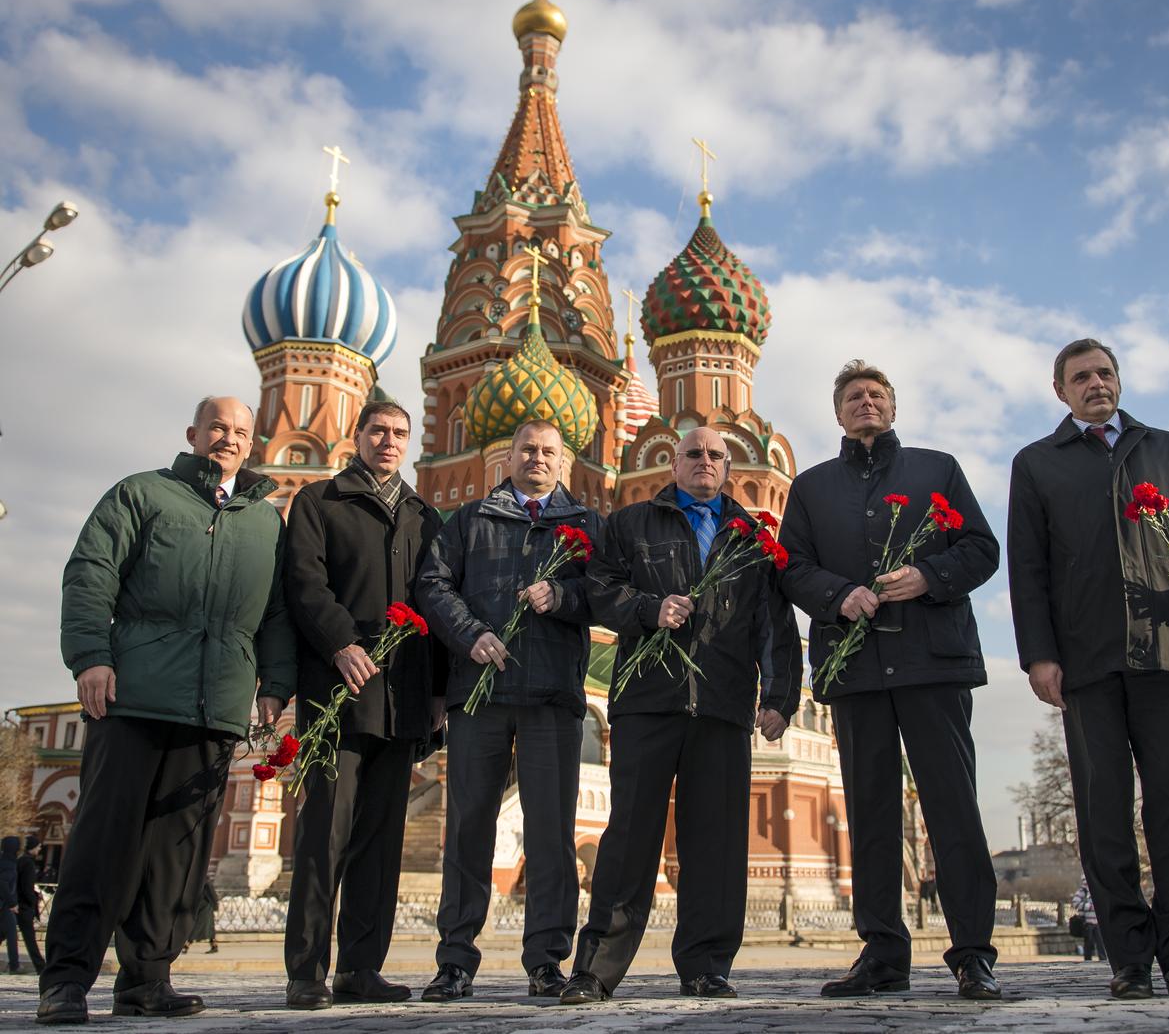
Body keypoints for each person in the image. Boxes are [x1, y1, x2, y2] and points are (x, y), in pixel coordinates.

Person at [37, 396, 295, 1025]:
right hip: (135, 695)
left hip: (215, 707)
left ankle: (147, 979)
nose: (227, 440)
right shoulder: (143, 495)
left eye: (239, 432)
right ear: (193, 433)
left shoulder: (265, 522)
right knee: (105, 840)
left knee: (179, 853)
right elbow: (91, 571)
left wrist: (275, 684)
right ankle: (66, 981)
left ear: (252, 444)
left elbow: (277, 614)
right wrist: (91, 656)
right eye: (217, 428)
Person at [1008, 338, 1169, 1001]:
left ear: (1119, 380)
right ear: (1061, 390)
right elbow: (1028, 570)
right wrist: (1040, 655)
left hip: (1167, 651)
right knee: (1103, 815)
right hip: (1086, 663)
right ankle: (1129, 958)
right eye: (1081, 376)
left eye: (1105, 372)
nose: (1096, 383)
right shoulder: (1037, 464)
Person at [779, 360, 1002, 1001]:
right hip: (856, 671)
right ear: (838, 413)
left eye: (876, 394)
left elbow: (982, 549)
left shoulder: (939, 469)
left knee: (951, 807)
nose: (865, 402)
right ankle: (882, 954)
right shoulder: (813, 486)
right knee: (871, 813)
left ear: (893, 409)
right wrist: (839, 594)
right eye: (853, 396)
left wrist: (929, 576)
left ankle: (972, 955)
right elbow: (791, 566)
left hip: (934, 663)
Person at [561, 426, 802, 1004]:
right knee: (629, 839)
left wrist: (779, 697)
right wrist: (648, 608)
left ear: (727, 465)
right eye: (693, 453)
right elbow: (600, 589)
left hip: (721, 703)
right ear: (673, 463)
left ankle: (706, 966)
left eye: (715, 455)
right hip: (648, 699)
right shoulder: (632, 523)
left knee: (715, 841)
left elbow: (774, 621)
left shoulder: (750, 537)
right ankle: (595, 970)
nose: (704, 462)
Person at [416, 419, 603, 1002]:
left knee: (552, 833)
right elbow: (431, 583)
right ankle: (455, 962)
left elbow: (607, 592)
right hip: (481, 694)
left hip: (553, 697)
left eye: (550, 451)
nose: (538, 458)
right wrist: (470, 634)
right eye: (529, 449)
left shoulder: (585, 525)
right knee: (469, 827)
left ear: (563, 463)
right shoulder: (471, 520)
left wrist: (565, 596)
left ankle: (546, 962)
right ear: (510, 456)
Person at [283, 400, 445, 1010]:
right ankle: (306, 970)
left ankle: (359, 967)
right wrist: (340, 643)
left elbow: (435, 602)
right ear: (358, 435)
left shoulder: (423, 516)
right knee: (324, 834)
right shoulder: (321, 502)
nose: (390, 440)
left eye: (400, 433)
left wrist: (436, 691)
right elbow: (304, 584)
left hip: (402, 699)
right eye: (379, 430)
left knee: (381, 840)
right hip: (339, 694)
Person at [17, 835, 46, 973]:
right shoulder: (28, 863)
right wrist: (33, 901)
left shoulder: (20, 861)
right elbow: (26, 886)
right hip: (23, 906)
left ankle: (40, 965)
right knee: (29, 938)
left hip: (17, 904)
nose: (40, 849)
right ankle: (41, 966)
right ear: (33, 847)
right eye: (38, 846)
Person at [1072, 875, 1106, 962]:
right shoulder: (1082, 892)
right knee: (1088, 942)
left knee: (1101, 942)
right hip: (1087, 922)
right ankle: (1088, 959)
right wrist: (1089, 907)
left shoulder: (1097, 890)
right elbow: (1075, 903)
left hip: (1098, 921)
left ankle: (1103, 959)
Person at [184, 880, 219, 955]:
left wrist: (215, 906)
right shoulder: (199, 881)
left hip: (206, 908)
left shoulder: (205, 882)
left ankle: (186, 946)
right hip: (201, 907)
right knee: (208, 928)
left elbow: (212, 895)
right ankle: (214, 946)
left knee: (197, 927)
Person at [1, 837, 19, 974]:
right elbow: (3, 884)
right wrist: (12, 903)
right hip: (4, 905)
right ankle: (14, 966)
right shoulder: (8, 863)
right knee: (12, 933)